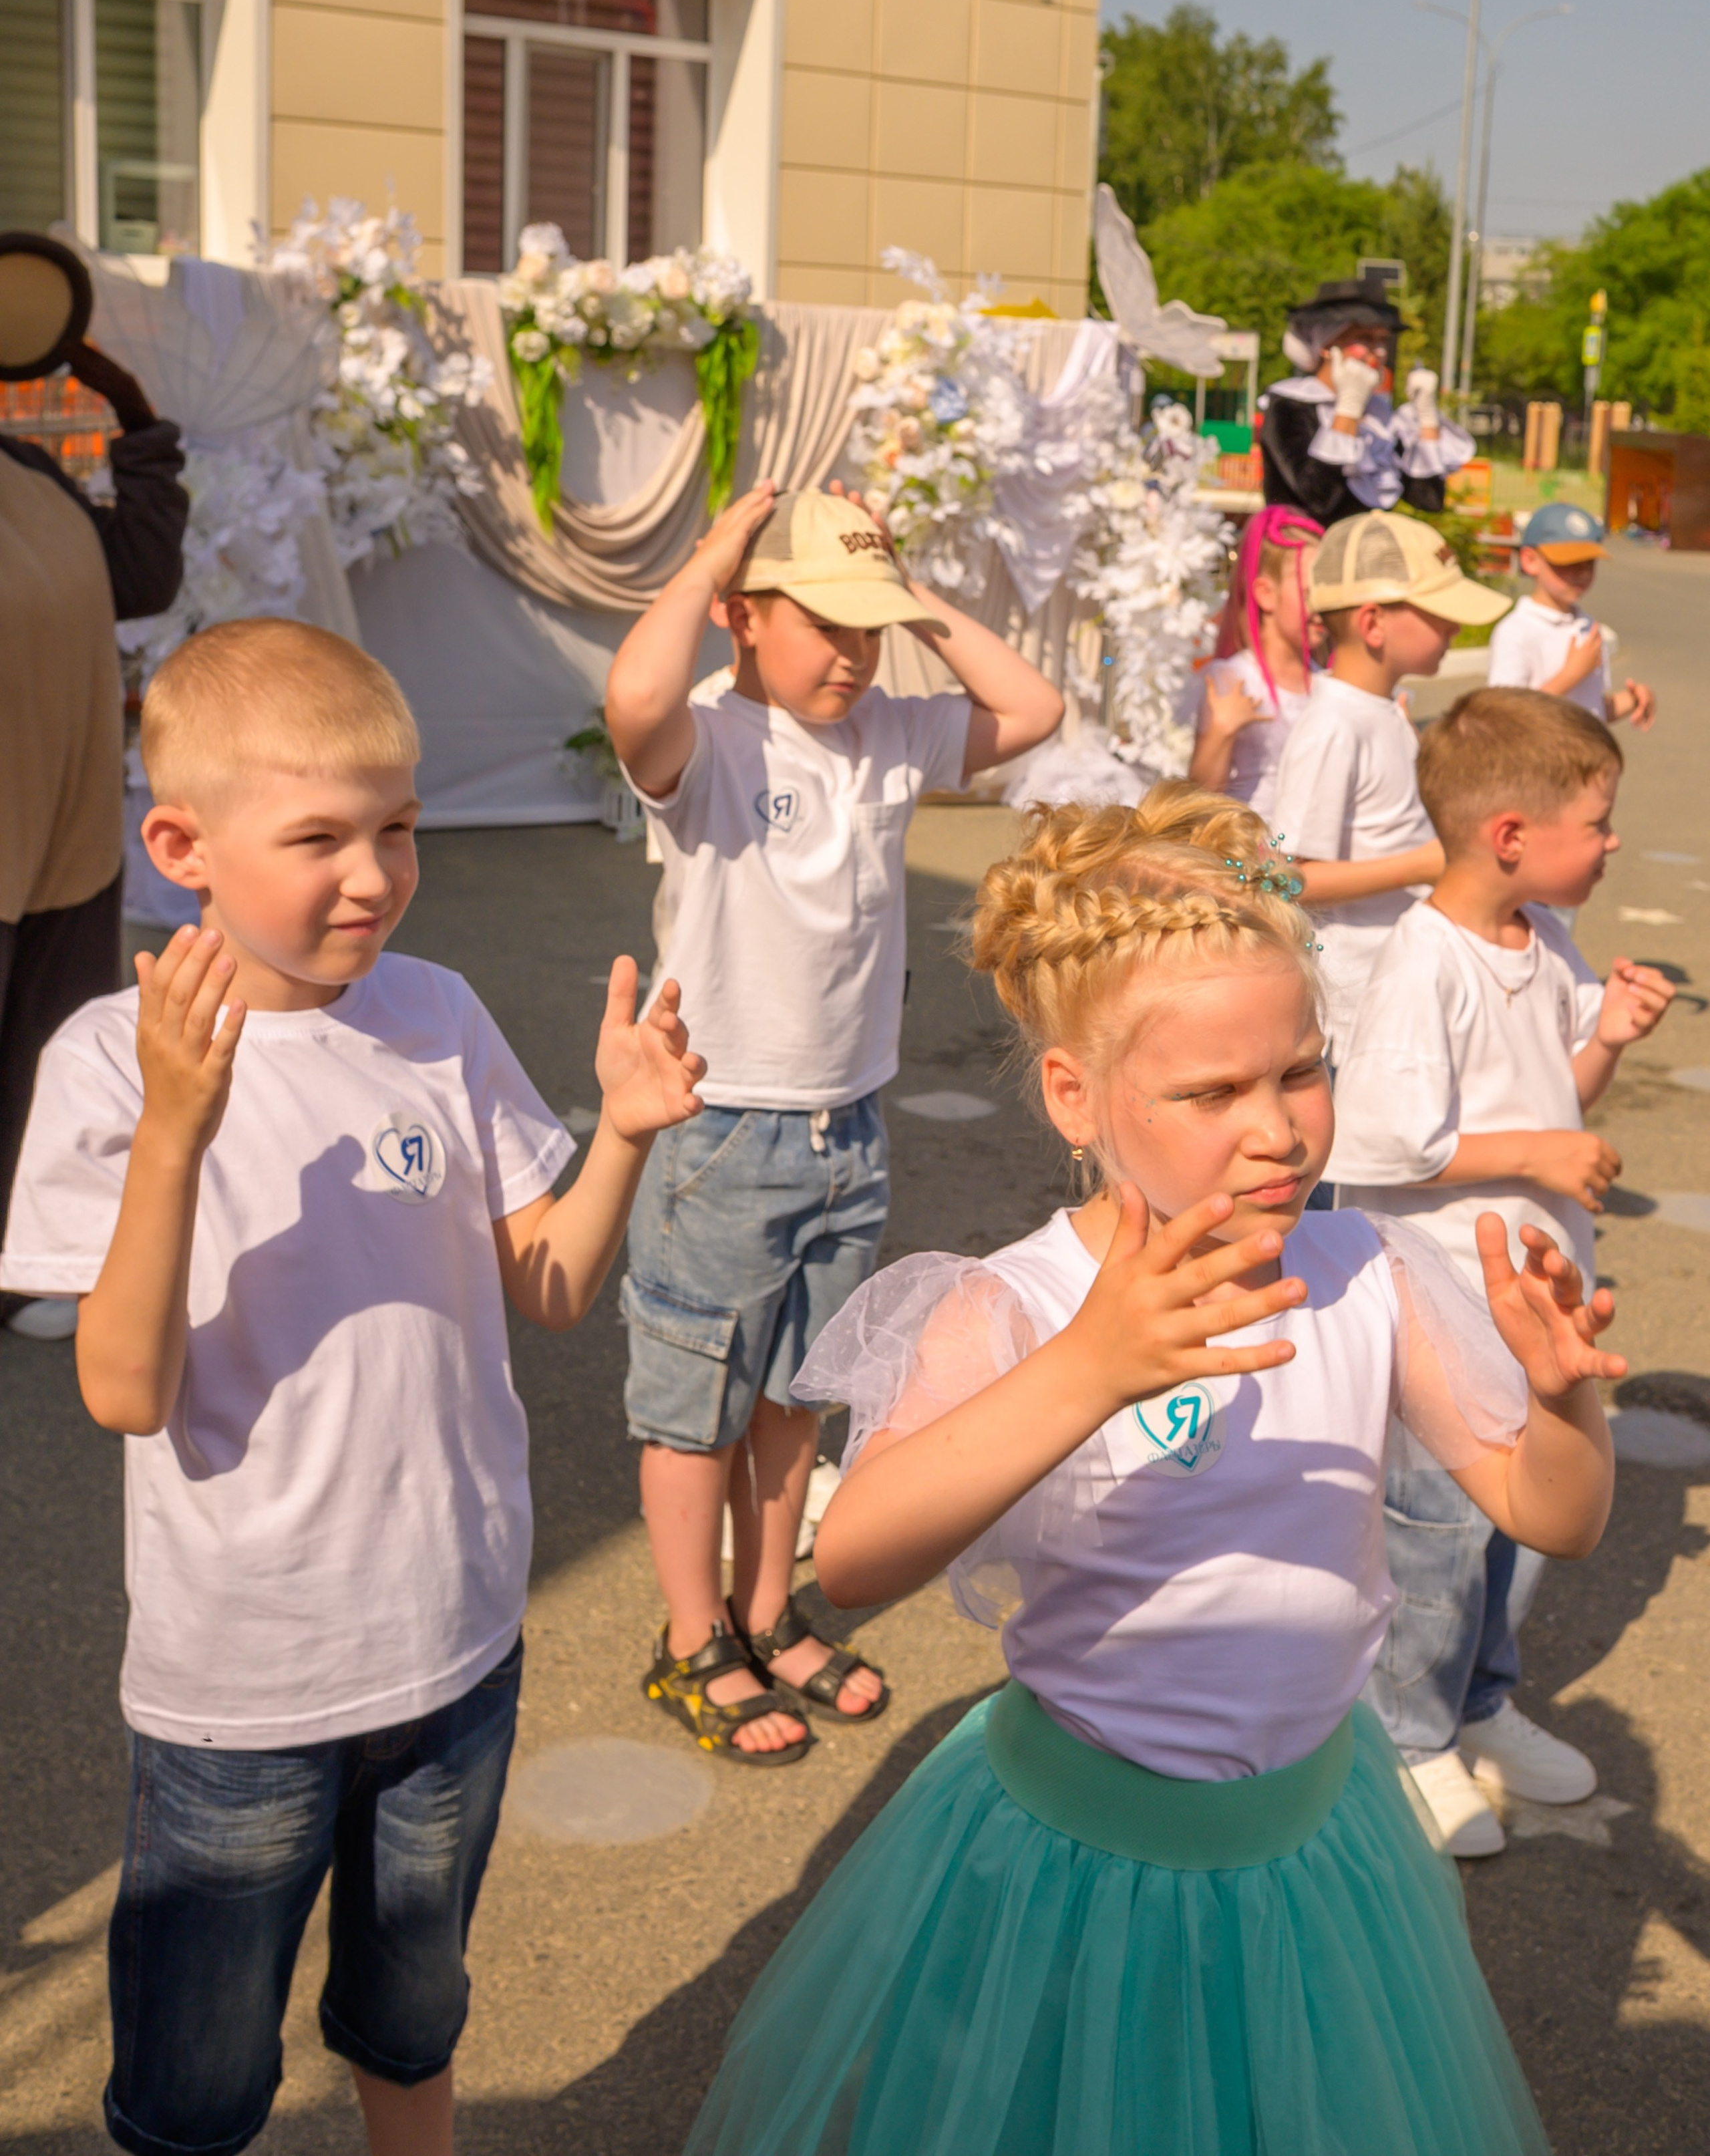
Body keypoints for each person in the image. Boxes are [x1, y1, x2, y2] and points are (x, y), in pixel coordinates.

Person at [682, 786, 1620, 2156]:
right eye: (1209, 1092)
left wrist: (1560, 1407)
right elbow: (855, 1562)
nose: (1278, 1130)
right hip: (1073, 1871)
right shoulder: (1012, 1306)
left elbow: (1555, 1515)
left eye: (1298, 1071)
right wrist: (1089, 1367)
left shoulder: (1360, 1270)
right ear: (1075, 1093)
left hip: (1315, 1842)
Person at [0, 617, 705, 2156]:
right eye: (318, 835)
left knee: (413, 2005)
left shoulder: (436, 1013)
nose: (374, 873)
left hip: (452, 1639)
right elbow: (122, 1387)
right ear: (179, 842)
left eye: (397, 825)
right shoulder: (114, 1062)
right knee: (197, 2078)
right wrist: (184, 1129)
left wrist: (629, 1134)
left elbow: (554, 1284)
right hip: (240, 1684)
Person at [604, 479, 1063, 1763]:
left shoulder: (894, 731)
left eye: (871, 629)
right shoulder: (709, 740)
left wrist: (902, 589)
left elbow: (1031, 709)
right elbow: (632, 701)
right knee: (696, 1404)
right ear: (745, 618)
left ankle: (766, 1613)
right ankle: (693, 1638)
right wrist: (710, 558)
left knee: (795, 1398)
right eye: (827, 623)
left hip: (845, 1125)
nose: (855, 653)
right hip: (723, 1129)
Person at [1331, 687, 1673, 1856]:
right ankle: (1407, 1734)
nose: (1615, 838)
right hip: (1445, 1305)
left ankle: (1481, 1703)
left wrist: (1610, 1036)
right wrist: (1542, 1151)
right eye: (1600, 818)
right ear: (1512, 834)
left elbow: (1557, 1089)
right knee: (1434, 1528)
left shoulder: (1545, 937)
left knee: (1519, 1534)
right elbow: (1373, 1140)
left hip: (1534, 1309)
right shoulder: (1425, 961)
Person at [2, 337, 188, 1340]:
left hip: (65, 822)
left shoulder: (29, 473)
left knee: (50, 1045)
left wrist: (132, 412)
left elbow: (144, 575)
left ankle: (34, 1259)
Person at [1270, 508, 1510, 1064]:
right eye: (1438, 613)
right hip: (1354, 1002)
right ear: (1374, 623)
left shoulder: (1381, 711)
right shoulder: (1334, 726)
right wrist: (1425, 865)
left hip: (1393, 978)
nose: (1454, 627)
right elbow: (1288, 879)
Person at [1257, 279, 1475, 526]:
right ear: (1328, 345)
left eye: (1382, 340)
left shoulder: (1380, 415)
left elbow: (1429, 499)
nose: (1380, 351)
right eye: (1365, 338)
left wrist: (1427, 419)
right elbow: (1318, 498)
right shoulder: (1290, 405)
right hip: (1302, 551)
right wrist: (1348, 411)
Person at [1189, 505, 1323, 823]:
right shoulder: (1235, 679)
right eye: (1309, 592)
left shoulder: (1326, 680)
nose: (1322, 605)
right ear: (1265, 593)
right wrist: (1221, 731)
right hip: (1253, 852)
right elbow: (1198, 799)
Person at [1487, 502, 1655, 728]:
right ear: (1530, 561)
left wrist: (1634, 699)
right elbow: (1504, 718)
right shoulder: (1515, 631)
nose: (1582, 572)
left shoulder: (1589, 626)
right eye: (1568, 563)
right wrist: (1570, 675)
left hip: (1589, 760)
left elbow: (1591, 708)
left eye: (1589, 562)